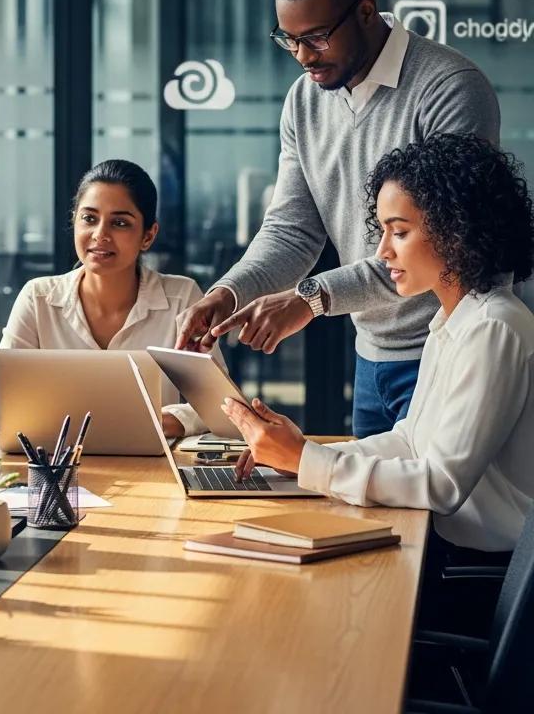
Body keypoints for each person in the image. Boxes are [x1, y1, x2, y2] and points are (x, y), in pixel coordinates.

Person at [176, 0, 500, 436]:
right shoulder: (305, 101)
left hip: (456, 346)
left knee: (437, 507)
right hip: (371, 355)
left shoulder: (449, 87)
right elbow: (291, 231)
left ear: (367, 12)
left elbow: (441, 244)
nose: (303, 57)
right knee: (371, 509)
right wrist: (228, 291)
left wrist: (311, 298)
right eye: (289, 40)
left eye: (317, 37)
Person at [223, 133, 534, 629]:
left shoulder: (495, 326)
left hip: (475, 581)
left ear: (457, 231)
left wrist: (307, 462)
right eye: (382, 230)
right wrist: (300, 455)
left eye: (400, 231)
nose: (383, 251)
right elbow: (411, 440)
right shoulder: (457, 320)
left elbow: (441, 484)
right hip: (449, 557)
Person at [0, 159, 226, 437]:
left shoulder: (181, 298)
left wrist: (163, 422)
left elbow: (219, 404)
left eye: (119, 223)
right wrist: (56, 425)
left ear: (148, 235)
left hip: (152, 465)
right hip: (56, 465)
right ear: (74, 221)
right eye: (89, 218)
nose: (100, 234)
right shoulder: (39, 298)